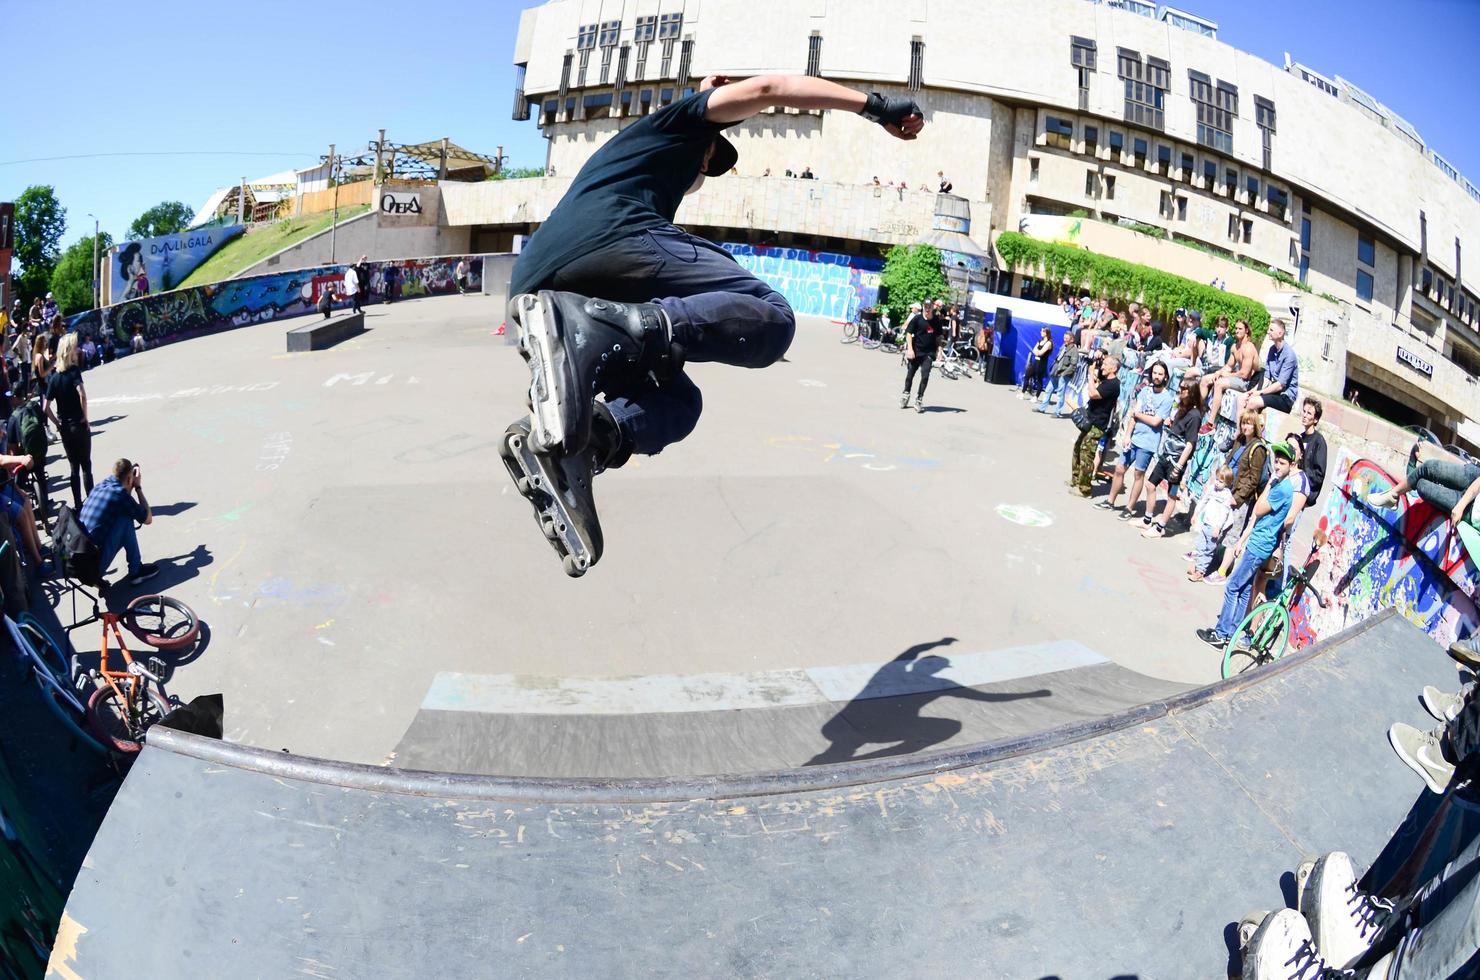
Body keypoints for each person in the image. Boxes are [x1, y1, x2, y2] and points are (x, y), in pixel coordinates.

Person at [498, 73, 923, 575]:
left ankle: (586, 441)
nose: (703, 171)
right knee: (770, 317)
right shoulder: (674, 126)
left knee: (678, 402)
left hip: (537, 290)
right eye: (708, 157)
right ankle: (617, 329)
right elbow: (770, 91)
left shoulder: (647, 166)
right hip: (609, 239)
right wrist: (876, 108)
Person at [1197, 441, 1296, 647]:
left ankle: (1221, 632)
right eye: (1276, 462)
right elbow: (1257, 518)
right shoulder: (1280, 484)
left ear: (1291, 466)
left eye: (1282, 463)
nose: (1277, 466)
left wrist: (1269, 483)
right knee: (1243, 590)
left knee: (1232, 586)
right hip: (1258, 541)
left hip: (1260, 545)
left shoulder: (1282, 488)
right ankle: (1232, 631)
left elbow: (1259, 509)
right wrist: (1242, 540)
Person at [1097, 360, 1173, 520]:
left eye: (1160, 374)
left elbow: (1155, 421)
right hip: (1134, 438)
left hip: (1148, 442)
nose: (1157, 376)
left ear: (1166, 376)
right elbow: (1133, 415)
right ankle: (1110, 501)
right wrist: (1127, 436)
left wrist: (1138, 415)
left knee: (1139, 474)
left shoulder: (1167, 398)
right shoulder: (1145, 392)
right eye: (1155, 373)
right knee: (1119, 469)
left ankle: (1129, 508)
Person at [1205, 410, 1270, 584]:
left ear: (1255, 425)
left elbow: (1253, 479)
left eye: (1249, 423)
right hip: (1226, 491)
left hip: (1239, 498)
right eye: (1243, 422)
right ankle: (1205, 559)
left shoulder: (1258, 448)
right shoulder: (1240, 440)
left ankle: (1222, 572)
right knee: (1216, 526)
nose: (1245, 426)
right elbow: (1228, 462)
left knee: (1232, 535)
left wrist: (1238, 497)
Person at [78, 458, 157, 586]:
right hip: (92, 569)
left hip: (79, 563)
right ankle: (136, 571)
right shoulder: (120, 495)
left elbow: (124, 499)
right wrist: (138, 487)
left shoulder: (102, 485)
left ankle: (132, 570)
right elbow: (148, 519)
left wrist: (130, 482)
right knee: (125, 519)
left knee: (123, 514)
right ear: (129, 479)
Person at [1142, 380, 1204, 537]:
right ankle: (1147, 520)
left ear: (1192, 392)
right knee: (1150, 485)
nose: (1180, 390)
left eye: (1184, 389)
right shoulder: (1182, 409)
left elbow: (1190, 444)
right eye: (1180, 387)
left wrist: (1178, 467)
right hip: (1166, 455)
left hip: (1176, 462)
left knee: (1171, 495)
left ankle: (1160, 528)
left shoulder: (1195, 415)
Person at [1365, 443, 1480, 527]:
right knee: (1430, 467)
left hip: (1473, 512)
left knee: (1422, 486)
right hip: (1474, 478)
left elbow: (1414, 495)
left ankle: (1394, 494)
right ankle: (1392, 495)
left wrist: (1412, 461)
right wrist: (1461, 505)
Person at [42, 334, 93, 511]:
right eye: (75, 347)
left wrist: (57, 423)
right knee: (86, 464)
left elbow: (45, 407)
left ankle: (78, 504)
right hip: (79, 425)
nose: (77, 350)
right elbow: (83, 395)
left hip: (65, 427)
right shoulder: (74, 372)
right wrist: (85, 417)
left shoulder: (55, 378)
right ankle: (92, 501)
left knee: (74, 467)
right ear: (68, 352)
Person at [1069, 355, 1120, 497]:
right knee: (1078, 448)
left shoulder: (1113, 385)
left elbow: (1092, 393)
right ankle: (1076, 480)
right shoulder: (1106, 381)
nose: (1102, 367)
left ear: (1113, 368)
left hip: (1098, 425)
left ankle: (1085, 489)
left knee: (1087, 455)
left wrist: (1091, 374)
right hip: (1091, 421)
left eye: (1105, 365)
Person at [1186, 466, 1237, 582]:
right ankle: (1197, 566)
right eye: (1217, 479)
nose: (1217, 483)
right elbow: (1203, 501)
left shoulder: (1226, 495)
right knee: (1200, 546)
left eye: (1221, 481)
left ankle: (1200, 572)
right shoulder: (1212, 489)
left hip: (1214, 527)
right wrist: (1195, 514)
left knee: (1208, 550)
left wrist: (1218, 528)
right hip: (1206, 523)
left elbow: (1224, 513)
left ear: (1227, 483)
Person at [1241, 318, 1299, 416]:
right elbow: (1267, 378)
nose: (1268, 332)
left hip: (1285, 397)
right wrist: (1254, 391)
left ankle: (1249, 430)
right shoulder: (1272, 350)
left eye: (1271, 330)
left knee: (1253, 402)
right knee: (1242, 398)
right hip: (1274, 393)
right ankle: (1239, 429)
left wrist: (1260, 393)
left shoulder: (1289, 355)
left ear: (1280, 333)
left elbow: (1280, 385)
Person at [1200, 318, 1258, 414]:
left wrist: (1227, 375)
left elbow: (1244, 374)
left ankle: (1211, 421)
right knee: (1205, 379)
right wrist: (1219, 372)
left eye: (1240, 329)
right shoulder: (1235, 347)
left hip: (1248, 383)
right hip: (1238, 378)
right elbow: (1229, 366)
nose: (1237, 331)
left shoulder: (1248, 348)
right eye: (1236, 328)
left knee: (1219, 384)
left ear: (1246, 330)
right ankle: (1199, 410)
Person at [901, 299, 939, 413]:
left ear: (933, 307)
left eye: (929, 307)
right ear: (923, 307)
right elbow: (908, 333)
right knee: (910, 375)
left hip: (928, 353)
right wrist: (910, 349)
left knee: (925, 376)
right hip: (916, 351)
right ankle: (906, 394)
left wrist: (939, 350)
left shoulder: (936, 320)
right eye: (926, 306)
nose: (927, 309)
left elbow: (938, 337)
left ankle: (919, 398)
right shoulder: (917, 319)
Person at [1036, 330, 1080, 417]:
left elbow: (1073, 365)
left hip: (1064, 375)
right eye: (1064, 338)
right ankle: (1042, 408)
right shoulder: (1063, 346)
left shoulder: (1074, 350)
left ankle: (1057, 412)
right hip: (1055, 373)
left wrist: (1064, 374)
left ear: (1072, 340)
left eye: (1067, 338)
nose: (1065, 340)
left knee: (1060, 393)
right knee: (1048, 390)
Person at [1297, 396, 1327, 503]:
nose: (1304, 415)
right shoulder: (1300, 437)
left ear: (1316, 419)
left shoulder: (1319, 442)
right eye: (1304, 411)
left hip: (1304, 494)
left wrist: (1300, 475)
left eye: (1309, 413)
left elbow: (1319, 475)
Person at [1022, 328, 1052, 400]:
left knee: (1039, 380)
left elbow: (1041, 353)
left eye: (1043, 331)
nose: (1041, 332)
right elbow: (1034, 350)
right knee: (1027, 375)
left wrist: (1038, 352)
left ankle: (1036, 397)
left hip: (1042, 364)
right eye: (1041, 331)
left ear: (1046, 333)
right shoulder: (1040, 341)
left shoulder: (1049, 343)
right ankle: (1022, 393)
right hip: (1036, 362)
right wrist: (1037, 352)